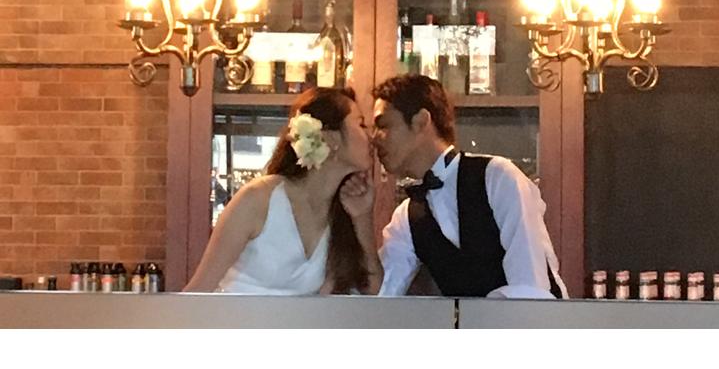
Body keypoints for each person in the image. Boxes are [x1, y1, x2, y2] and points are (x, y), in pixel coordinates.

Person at [372, 74, 567, 299]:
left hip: (541, 321)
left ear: (421, 121)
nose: (374, 138)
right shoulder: (407, 216)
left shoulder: (497, 177)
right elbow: (379, 298)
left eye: (383, 125)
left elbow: (531, 288)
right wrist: (362, 215)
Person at [184, 87, 382, 295]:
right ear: (330, 138)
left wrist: (362, 217)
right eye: (361, 124)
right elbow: (198, 290)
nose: (371, 136)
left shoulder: (341, 211)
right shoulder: (258, 199)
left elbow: (371, 289)